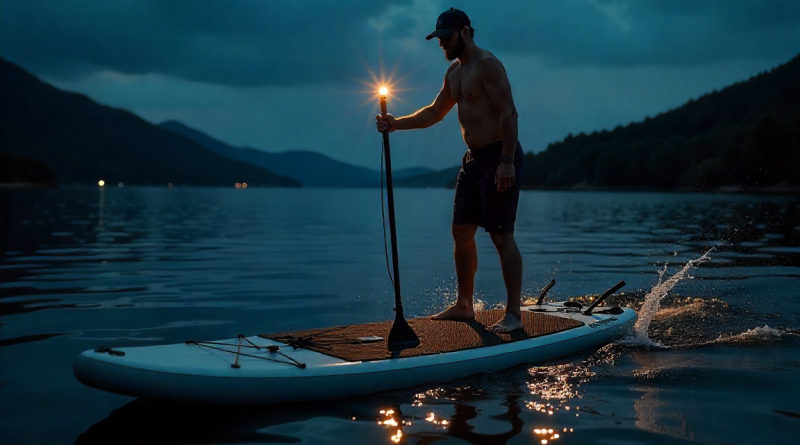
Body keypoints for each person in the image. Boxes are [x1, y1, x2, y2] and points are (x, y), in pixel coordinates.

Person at [376, 8, 525, 333]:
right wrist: (395, 124)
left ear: (466, 31)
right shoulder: (455, 75)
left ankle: (514, 313)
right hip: (472, 161)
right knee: (461, 231)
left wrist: (507, 161)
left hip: (498, 157)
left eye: (446, 37)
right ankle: (464, 305)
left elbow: (509, 114)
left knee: (500, 235)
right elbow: (434, 112)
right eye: (439, 39)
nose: (442, 44)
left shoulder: (487, 65)